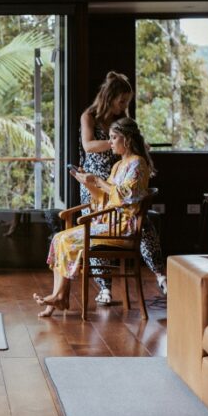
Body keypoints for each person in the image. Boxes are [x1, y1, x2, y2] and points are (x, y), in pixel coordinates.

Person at [35, 117, 165, 317]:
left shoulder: (137, 164)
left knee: (66, 239)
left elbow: (125, 196)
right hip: (111, 223)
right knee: (59, 238)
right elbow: (104, 199)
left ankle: (59, 298)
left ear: (127, 140)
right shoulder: (119, 166)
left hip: (123, 227)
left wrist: (97, 179)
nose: (110, 142)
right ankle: (59, 296)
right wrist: (87, 182)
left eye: (114, 138)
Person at [78, 71, 134, 304]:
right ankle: (105, 288)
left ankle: (159, 276)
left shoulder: (122, 121)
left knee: (118, 229)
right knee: (95, 235)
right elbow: (89, 145)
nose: (124, 106)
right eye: (122, 101)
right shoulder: (89, 116)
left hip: (117, 183)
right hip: (93, 184)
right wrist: (116, 143)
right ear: (109, 97)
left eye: (127, 102)